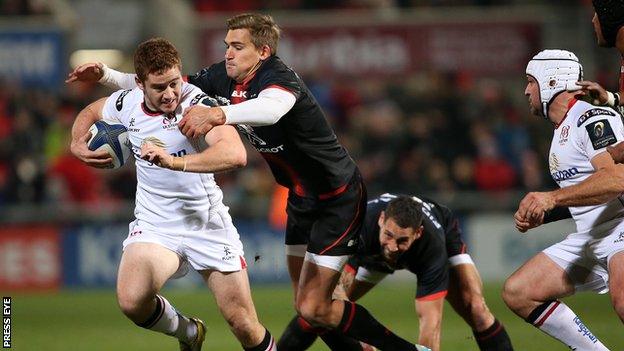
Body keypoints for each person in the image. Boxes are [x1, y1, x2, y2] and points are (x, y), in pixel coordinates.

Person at [67, 14, 427, 351]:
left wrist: (218, 115)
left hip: (337, 195)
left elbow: (268, 111)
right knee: (309, 308)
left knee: (311, 307)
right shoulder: (221, 78)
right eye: (226, 44)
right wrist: (106, 74)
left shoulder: (279, 79)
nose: (228, 52)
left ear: (263, 51)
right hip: (300, 197)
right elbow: (155, 81)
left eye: (237, 46)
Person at [70, 38, 276, 351]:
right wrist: (76, 143)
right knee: (131, 301)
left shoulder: (198, 106)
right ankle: (190, 333)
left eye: (174, 83)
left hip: (206, 223)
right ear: (140, 84)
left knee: (243, 324)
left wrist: (174, 162)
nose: (169, 94)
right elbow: (91, 110)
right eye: (159, 87)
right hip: (156, 225)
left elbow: (235, 154)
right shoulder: (126, 103)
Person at [278, 193, 514, 351]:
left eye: (402, 240)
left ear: (417, 234)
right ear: (382, 220)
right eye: (389, 235)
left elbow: (430, 324)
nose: (392, 247)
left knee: (476, 308)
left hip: (444, 233)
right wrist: (362, 343)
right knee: (317, 309)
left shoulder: (431, 247)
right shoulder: (359, 225)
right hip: (369, 254)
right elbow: (335, 290)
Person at [504, 49, 624, 351]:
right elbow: (589, 190)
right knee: (520, 291)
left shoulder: (592, 118)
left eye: (531, 81)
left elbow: (616, 179)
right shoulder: (561, 130)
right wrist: (546, 213)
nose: (526, 90)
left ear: (551, 80)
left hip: (620, 228)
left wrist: (552, 198)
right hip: (593, 234)